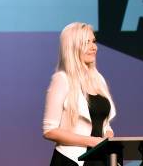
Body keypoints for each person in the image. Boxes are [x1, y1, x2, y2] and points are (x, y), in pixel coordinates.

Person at [43, 22, 116, 166]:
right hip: (71, 160)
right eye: (86, 42)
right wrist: (93, 141)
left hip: (99, 159)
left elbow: (103, 123)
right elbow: (49, 130)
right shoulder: (62, 79)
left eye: (93, 41)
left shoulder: (98, 79)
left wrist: (108, 135)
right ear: (72, 47)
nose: (93, 47)